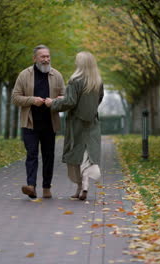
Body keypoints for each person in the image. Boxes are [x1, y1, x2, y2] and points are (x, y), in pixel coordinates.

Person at [45, 51, 104, 201]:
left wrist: (53, 103)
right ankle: (84, 187)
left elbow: (71, 102)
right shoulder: (97, 82)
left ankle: (79, 186)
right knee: (87, 155)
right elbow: (98, 99)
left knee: (75, 155)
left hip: (76, 123)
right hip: (92, 123)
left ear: (81, 63)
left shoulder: (75, 80)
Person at [12, 45, 65, 199]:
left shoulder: (57, 75)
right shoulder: (24, 75)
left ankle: (46, 187)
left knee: (49, 156)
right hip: (30, 123)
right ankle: (31, 186)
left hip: (50, 123)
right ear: (34, 58)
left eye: (48, 56)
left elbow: (64, 98)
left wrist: (54, 101)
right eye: (42, 57)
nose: (46, 59)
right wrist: (32, 100)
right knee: (32, 154)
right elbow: (15, 98)